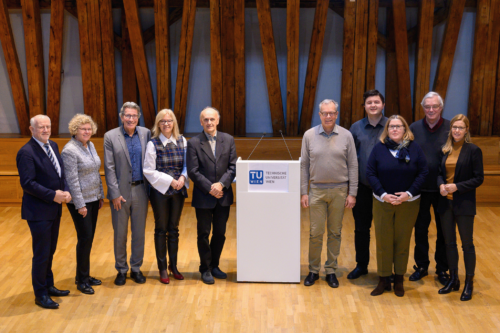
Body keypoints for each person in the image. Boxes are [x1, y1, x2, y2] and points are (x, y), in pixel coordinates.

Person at [367, 115, 428, 297]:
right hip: (382, 202)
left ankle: (399, 279)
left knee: (402, 240)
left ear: (405, 129)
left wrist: (407, 194)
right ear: (387, 129)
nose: (394, 129)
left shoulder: (415, 149)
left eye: (398, 126)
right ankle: (383, 279)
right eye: (391, 126)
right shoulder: (379, 149)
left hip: (408, 203)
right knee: (383, 241)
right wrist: (383, 194)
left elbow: (423, 172)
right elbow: (370, 173)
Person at [301, 99, 358, 288]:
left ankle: (331, 270)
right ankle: (313, 270)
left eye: (331, 113)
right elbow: (304, 166)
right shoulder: (309, 135)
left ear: (336, 114)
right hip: (316, 190)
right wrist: (303, 191)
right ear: (319, 115)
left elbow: (353, 165)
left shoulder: (347, 135)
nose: (328, 116)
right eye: (324, 113)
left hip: (340, 191)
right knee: (315, 233)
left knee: (335, 232)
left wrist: (353, 193)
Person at [16, 115, 72, 309]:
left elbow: (60, 173)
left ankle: (49, 285)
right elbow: (28, 183)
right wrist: (52, 195)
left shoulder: (53, 145)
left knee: (50, 250)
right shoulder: (26, 152)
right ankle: (40, 294)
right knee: (41, 254)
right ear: (32, 129)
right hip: (38, 211)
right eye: (41, 127)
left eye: (48, 126)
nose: (46, 130)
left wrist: (65, 191)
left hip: (53, 209)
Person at [186, 107, 236, 285]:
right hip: (204, 196)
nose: (209, 122)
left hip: (223, 196)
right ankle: (205, 268)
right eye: (205, 119)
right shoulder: (193, 143)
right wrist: (211, 187)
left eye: (212, 119)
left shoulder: (228, 139)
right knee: (203, 234)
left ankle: (215, 265)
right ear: (201, 122)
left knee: (220, 233)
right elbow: (192, 171)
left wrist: (221, 184)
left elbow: (232, 166)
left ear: (218, 121)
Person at [437, 114, 483, 301]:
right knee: (449, 243)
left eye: (460, 128)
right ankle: (454, 279)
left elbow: (478, 178)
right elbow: (439, 173)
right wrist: (441, 184)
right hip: (445, 203)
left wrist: (458, 187)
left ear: (466, 130)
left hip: (464, 204)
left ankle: (468, 283)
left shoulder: (473, 150)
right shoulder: (446, 149)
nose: (456, 130)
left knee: (467, 244)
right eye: (454, 127)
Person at [104, 102, 151, 286]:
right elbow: (109, 167)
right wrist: (114, 193)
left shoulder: (146, 133)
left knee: (139, 233)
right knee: (120, 233)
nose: (131, 119)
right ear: (121, 116)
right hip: (120, 193)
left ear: (138, 117)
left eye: (134, 116)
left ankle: (136, 268)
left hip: (141, 189)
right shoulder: (110, 136)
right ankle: (121, 269)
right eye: (127, 116)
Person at [408, 92, 450, 285]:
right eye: (427, 107)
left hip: (445, 190)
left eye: (435, 106)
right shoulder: (414, 128)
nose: (431, 110)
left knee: (444, 231)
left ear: (441, 107)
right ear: (422, 107)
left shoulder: (451, 128)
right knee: (420, 230)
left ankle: (442, 269)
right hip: (420, 189)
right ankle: (422, 266)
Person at [61, 114, 105, 295]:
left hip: (94, 198)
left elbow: (95, 171)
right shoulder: (69, 150)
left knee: (89, 238)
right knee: (85, 238)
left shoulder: (91, 145)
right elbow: (71, 180)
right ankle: (82, 280)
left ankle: (84, 275)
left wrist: (101, 195)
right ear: (75, 130)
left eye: (89, 129)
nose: (87, 132)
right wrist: (80, 205)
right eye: (83, 129)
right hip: (81, 202)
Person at [144, 109, 188, 284]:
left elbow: (187, 164)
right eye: (162, 121)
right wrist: (171, 181)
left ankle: (174, 266)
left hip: (179, 190)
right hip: (160, 191)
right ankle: (162, 267)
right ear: (158, 124)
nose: (166, 124)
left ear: (174, 123)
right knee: (161, 229)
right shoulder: (152, 144)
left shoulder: (182, 141)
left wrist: (182, 178)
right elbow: (148, 170)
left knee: (174, 229)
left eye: (169, 121)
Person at [348, 90, 388, 280]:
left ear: (383, 105)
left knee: (386, 230)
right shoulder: (355, 128)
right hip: (363, 187)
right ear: (364, 106)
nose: (373, 105)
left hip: (386, 189)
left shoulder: (392, 126)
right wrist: (351, 190)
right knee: (361, 229)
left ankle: (385, 269)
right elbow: (349, 159)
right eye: (369, 102)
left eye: (376, 102)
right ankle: (361, 265)